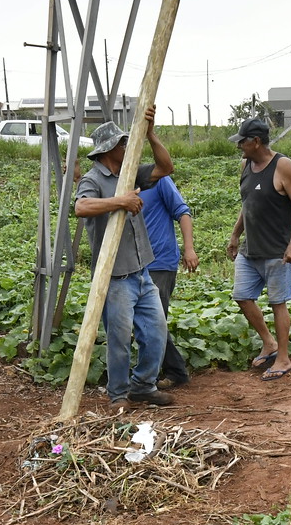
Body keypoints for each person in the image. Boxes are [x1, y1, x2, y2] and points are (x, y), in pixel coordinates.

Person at [74, 108, 175, 408]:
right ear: (107, 150)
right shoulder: (93, 179)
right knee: (119, 341)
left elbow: (166, 167)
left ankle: (144, 385)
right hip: (115, 278)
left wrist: (151, 134)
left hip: (142, 271)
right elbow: (81, 208)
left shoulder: (130, 172)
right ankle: (118, 394)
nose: (128, 148)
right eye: (122, 144)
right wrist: (121, 200)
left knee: (157, 331)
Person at [225, 116, 291, 381]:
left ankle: (283, 358)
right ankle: (269, 343)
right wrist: (235, 235)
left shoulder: (282, 166)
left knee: (277, 303)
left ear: (256, 141)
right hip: (251, 250)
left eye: (242, 141)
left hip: (277, 251)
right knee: (241, 296)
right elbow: (247, 203)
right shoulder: (245, 165)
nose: (239, 146)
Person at [138, 169, 200, 388]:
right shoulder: (121, 182)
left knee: (153, 320)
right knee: (149, 320)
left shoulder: (157, 179)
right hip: (135, 263)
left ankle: (168, 373)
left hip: (160, 262)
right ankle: (172, 370)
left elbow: (183, 212)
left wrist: (189, 249)